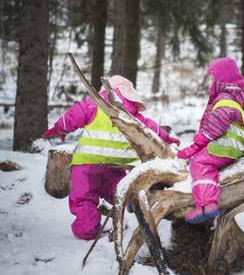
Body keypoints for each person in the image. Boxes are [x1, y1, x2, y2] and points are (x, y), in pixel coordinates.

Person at [43, 75, 180, 240]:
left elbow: (71, 117)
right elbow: (152, 130)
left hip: (88, 162)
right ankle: (129, 199)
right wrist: (169, 139)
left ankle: (87, 229)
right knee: (117, 188)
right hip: (117, 163)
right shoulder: (134, 115)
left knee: (84, 196)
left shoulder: (93, 105)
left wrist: (59, 129)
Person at [177, 57, 244, 224]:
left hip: (225, 144)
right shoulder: (237, 97)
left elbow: (215, 127)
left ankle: (207, 205)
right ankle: (206, 203)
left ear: (220, 79)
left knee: (200, 163)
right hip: (237, 146)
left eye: (211, 78)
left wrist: (196, 145)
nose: (209, 82)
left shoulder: (224, 98)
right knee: (206, 159)